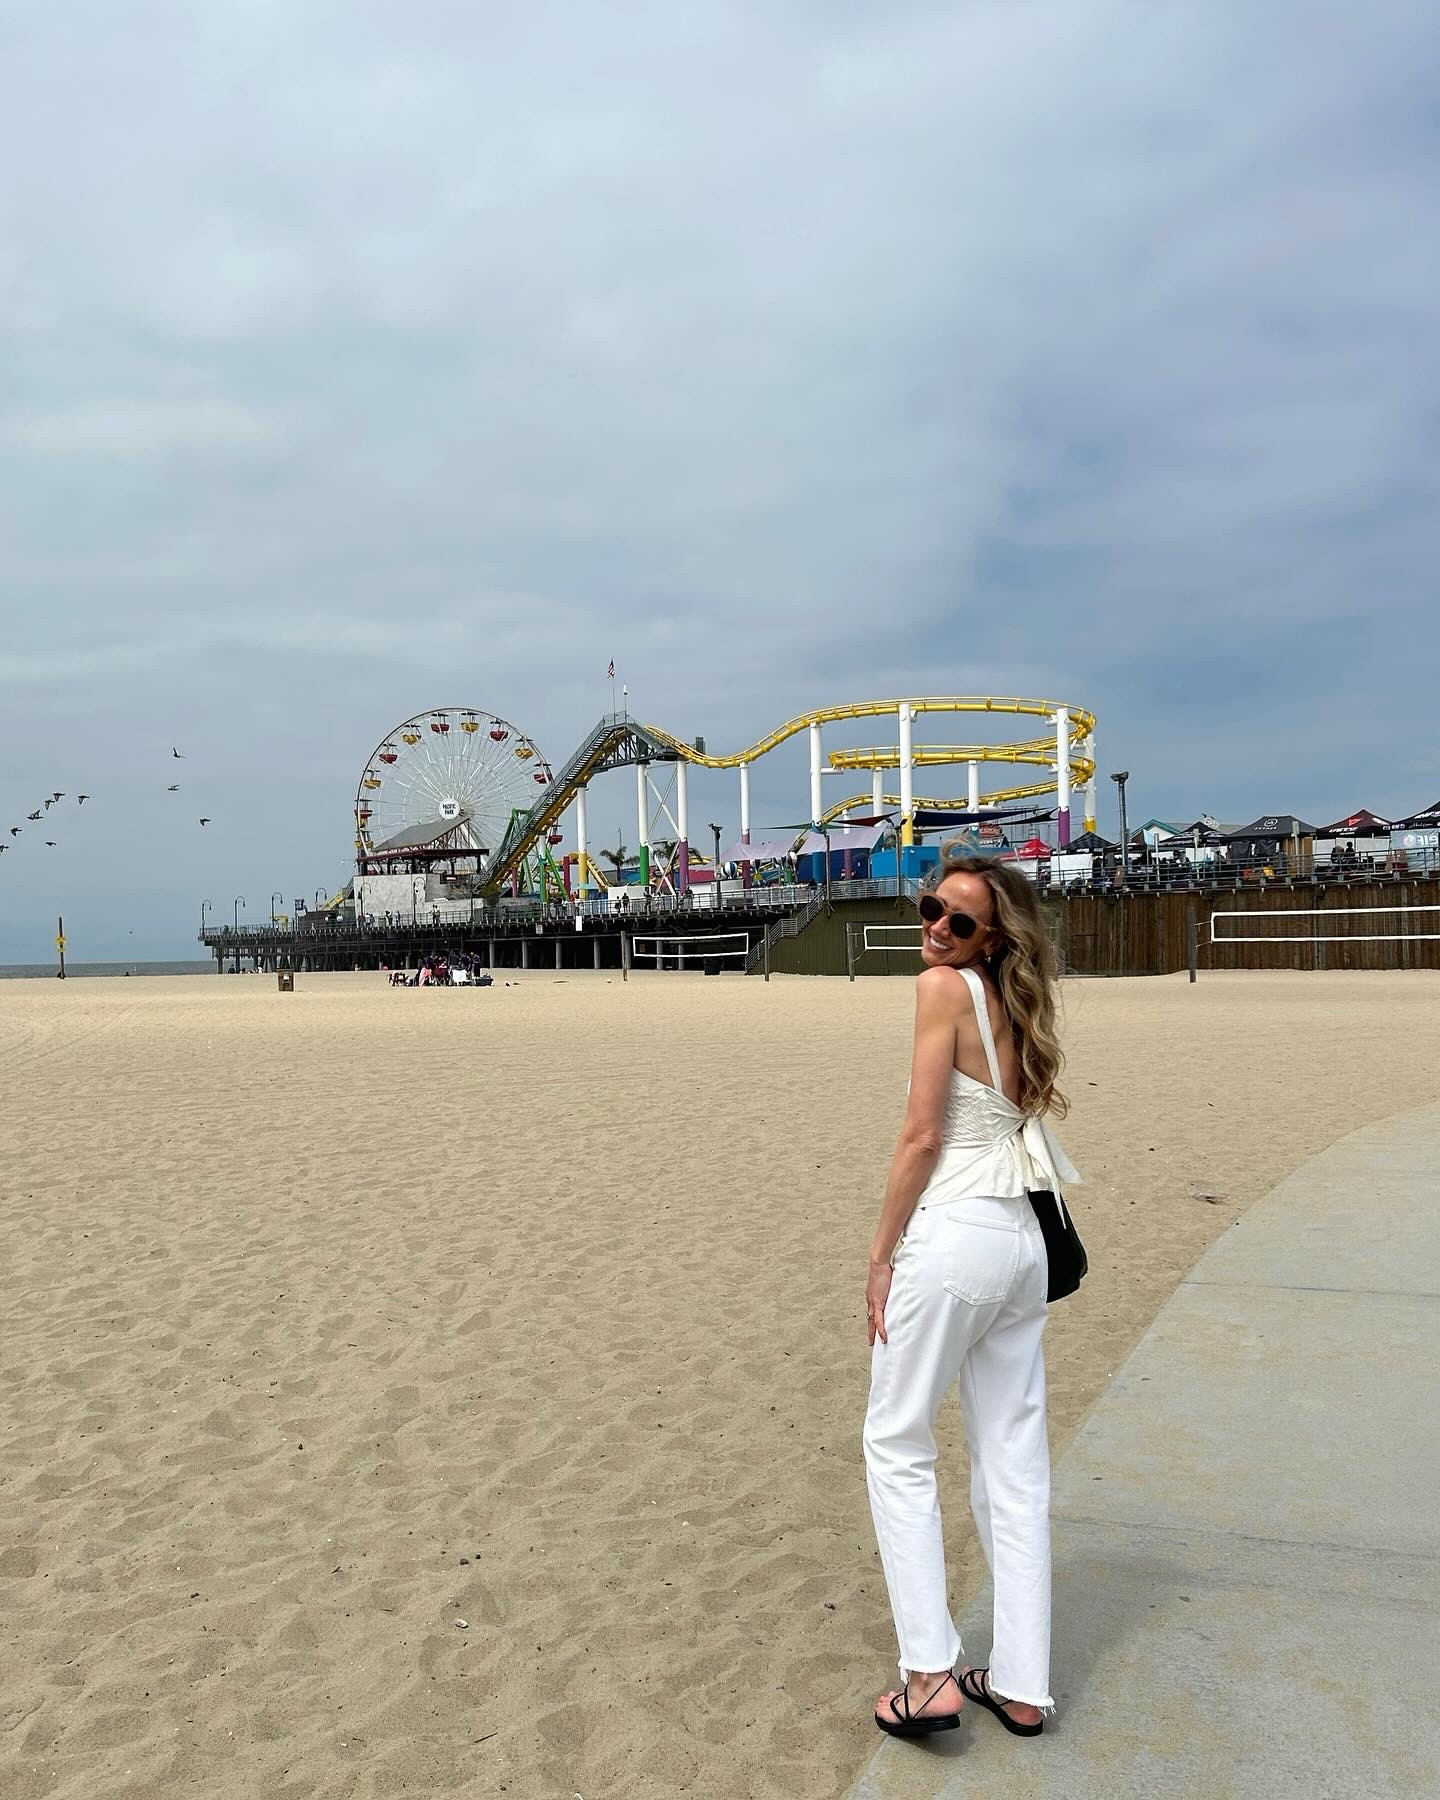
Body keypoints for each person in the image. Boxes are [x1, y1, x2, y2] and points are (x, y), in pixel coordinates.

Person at [863, 855, 1079, 1741]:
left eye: (958, 921)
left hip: (955, 1234)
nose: (937, 930)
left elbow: (921, 1135)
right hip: (1022, 1242)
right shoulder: (1019, 1005)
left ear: (991, 938)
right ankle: (1022, 1686)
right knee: (1014, 1460)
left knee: (896, 1439)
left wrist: (879, 1256)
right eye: (931, 909)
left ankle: (929, 1674)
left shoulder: (941, 990)